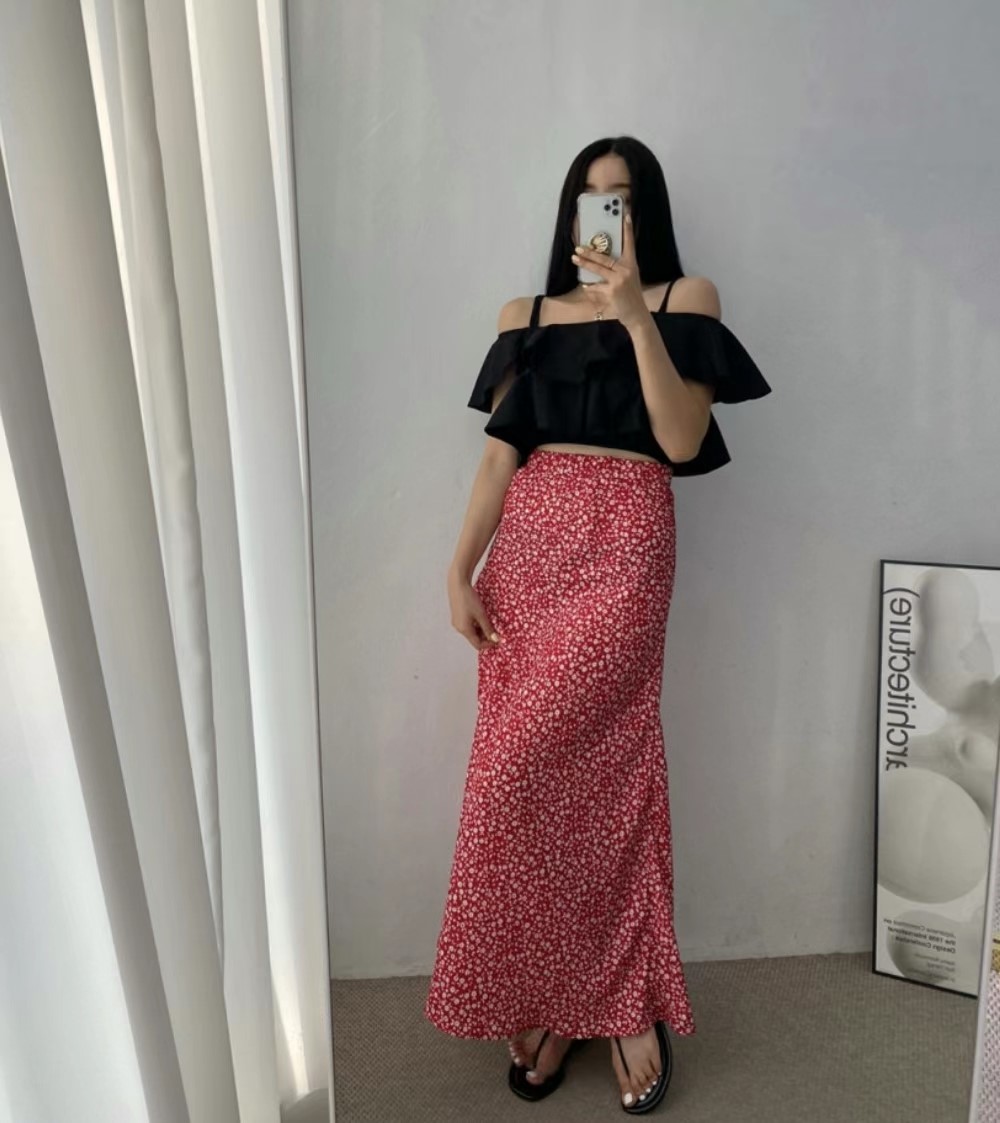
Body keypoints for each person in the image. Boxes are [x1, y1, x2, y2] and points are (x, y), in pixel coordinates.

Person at [424, 135, 771, 1112]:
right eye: (589, 196)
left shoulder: (686, 299)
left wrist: (633, 314)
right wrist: (458, 567)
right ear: (570, 212)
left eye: (620, 196)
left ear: (644, 210)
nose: (604, 212)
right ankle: (560, 994)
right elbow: (500, 454)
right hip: (529, 550)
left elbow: (682, 439)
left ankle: (621, 999)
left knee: (605, 774)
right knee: (515, 783)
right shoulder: (525, 317)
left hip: (625, 544)